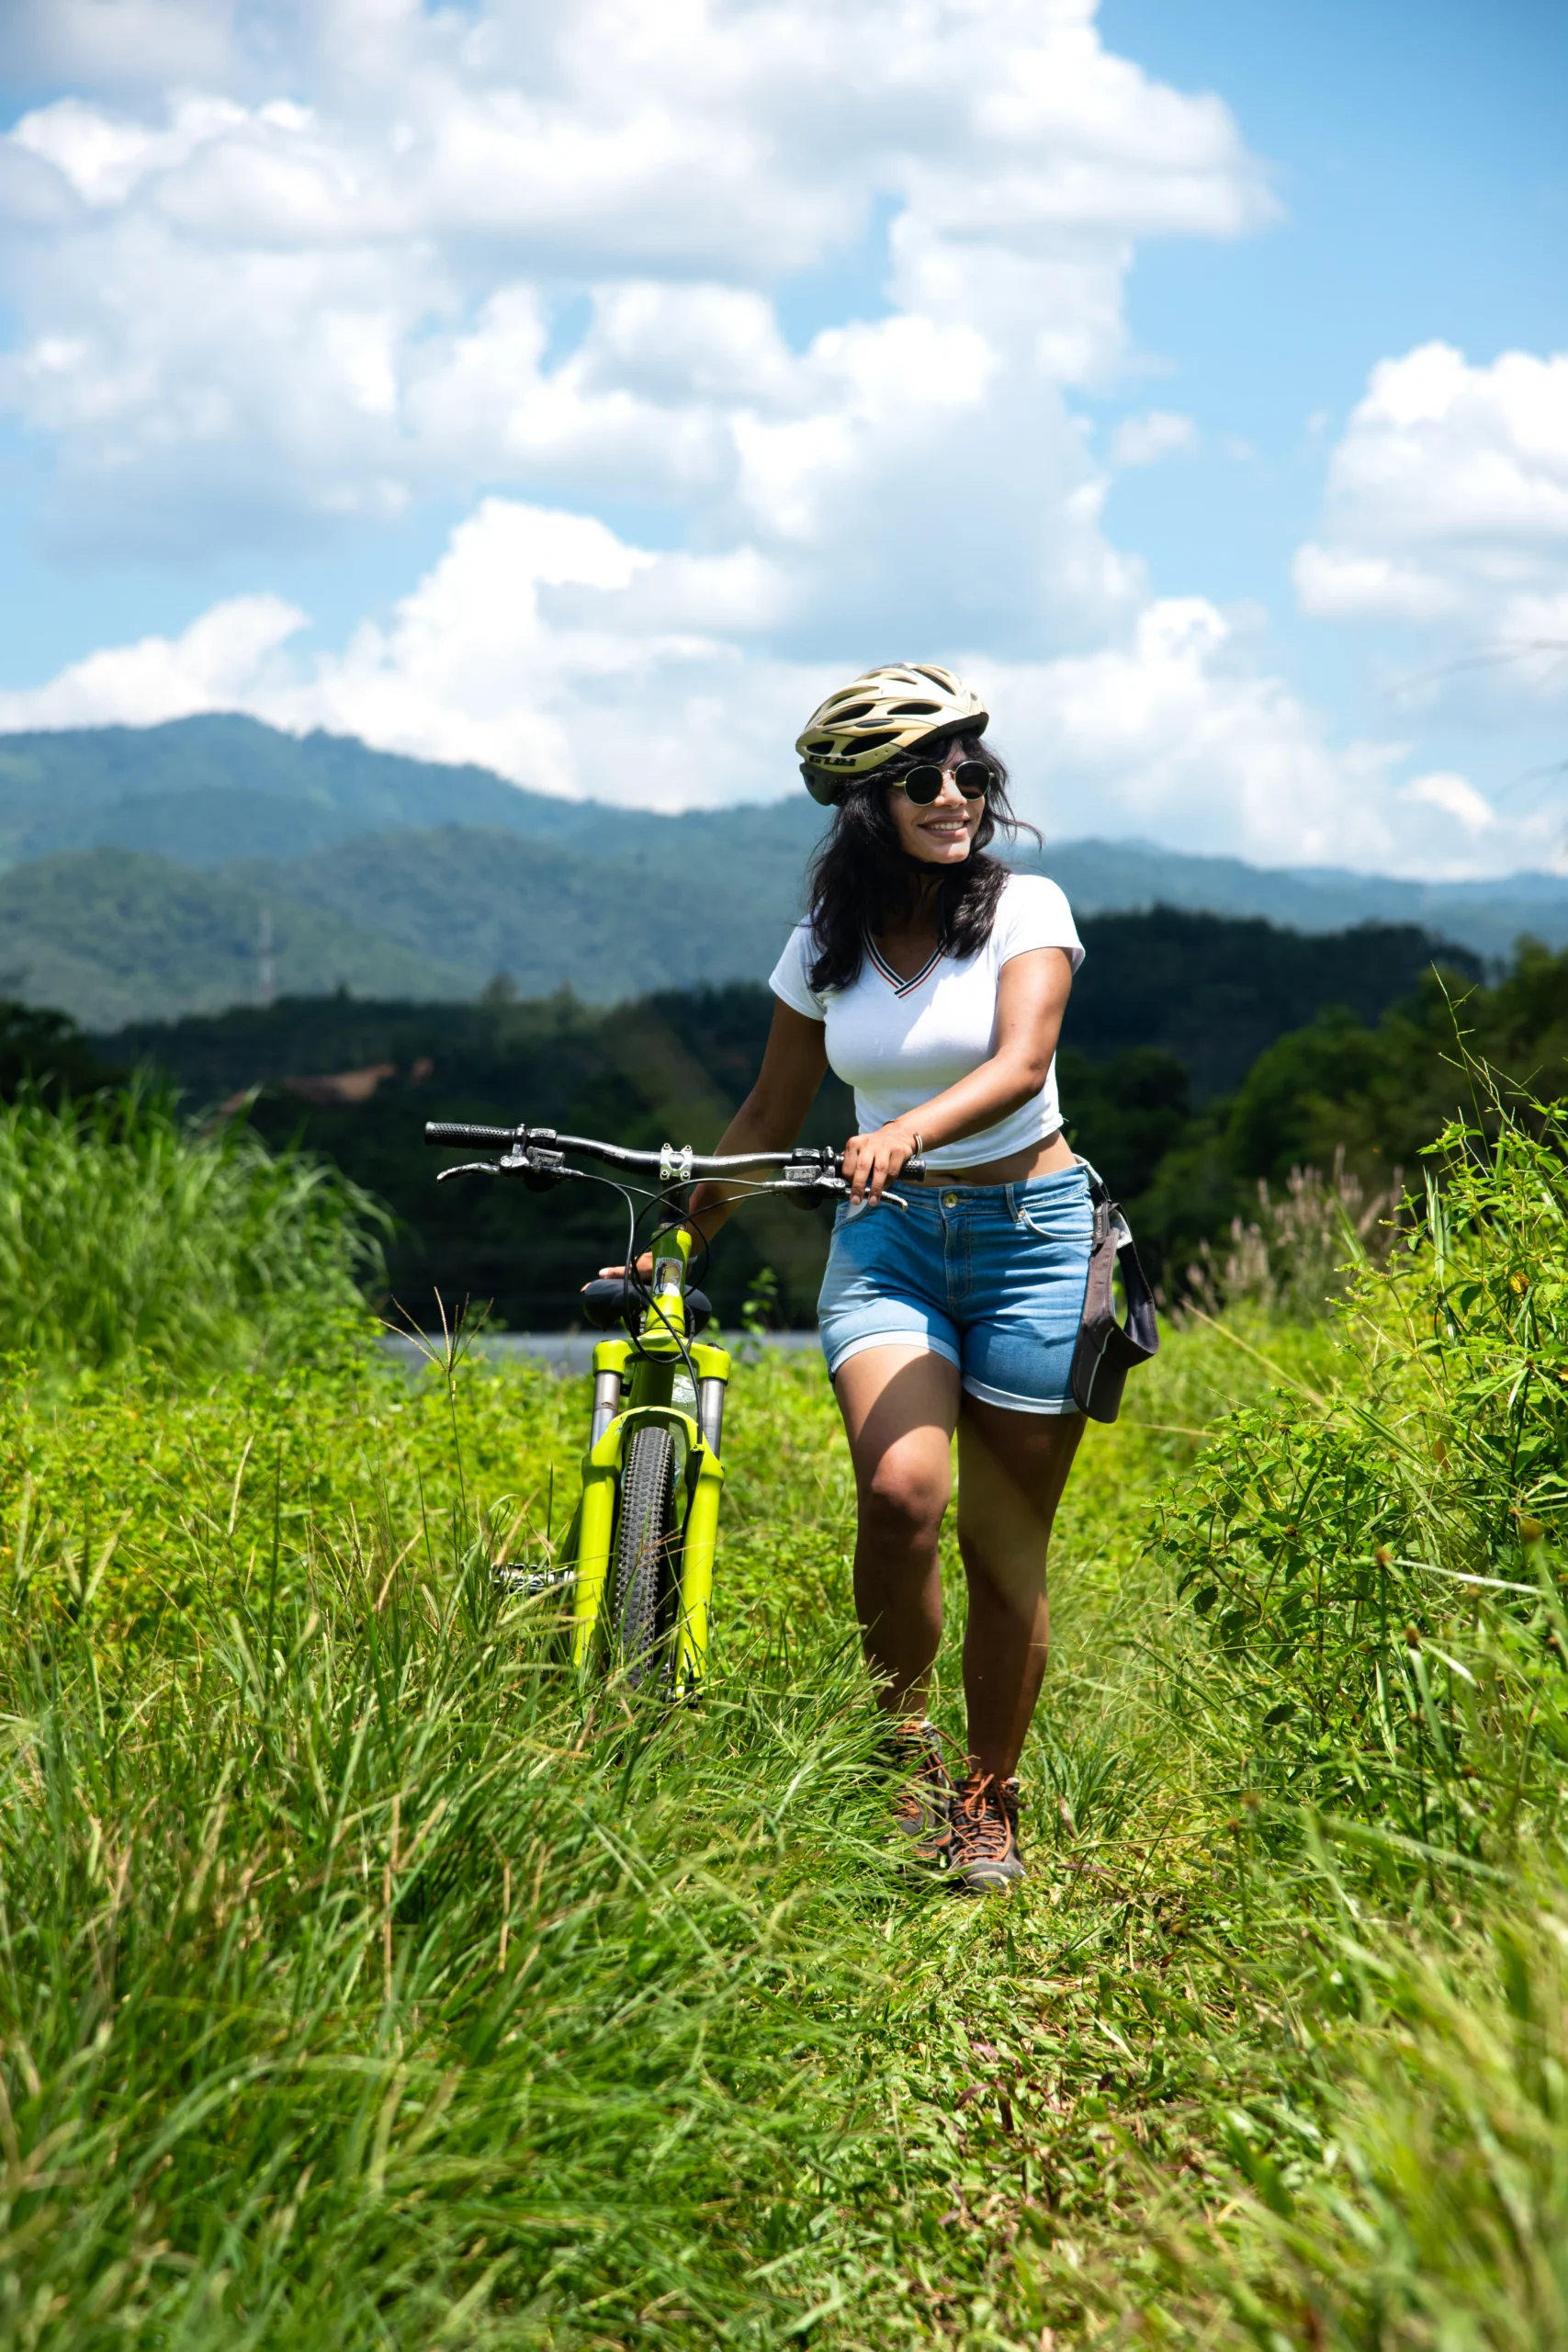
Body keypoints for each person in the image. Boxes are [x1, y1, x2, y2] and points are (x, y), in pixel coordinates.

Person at [680, 665, 1091, 1892]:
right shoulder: (822, 946)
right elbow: (767, 1112)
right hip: (890, 1250)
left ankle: (988, 1798)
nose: (955, 793)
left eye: (971, 771)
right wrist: (675, 1237)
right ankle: (902, 1752)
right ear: (866, 802)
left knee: (1001, 1543)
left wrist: (907, 1129)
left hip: (1033, 1239)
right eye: (923, 777)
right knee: (903, 1497)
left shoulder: (1028, 909)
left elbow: (1022, 1063)